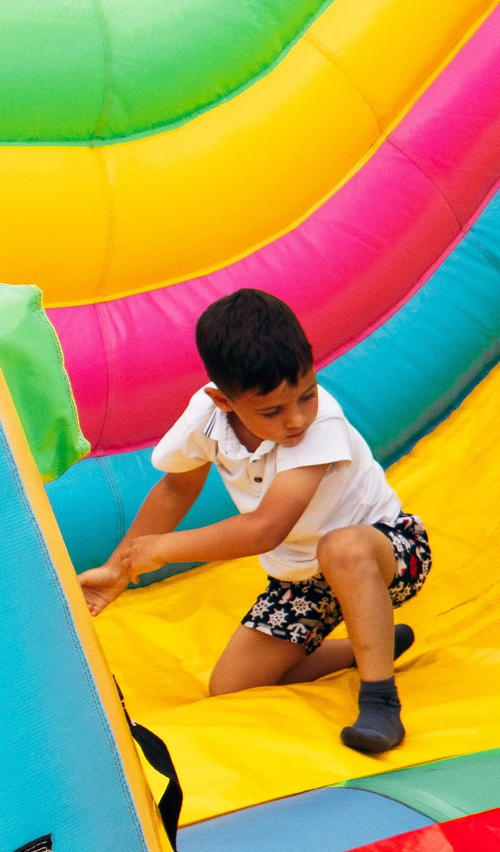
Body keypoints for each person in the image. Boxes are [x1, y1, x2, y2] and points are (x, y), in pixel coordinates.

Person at [76, 289, 430, 755]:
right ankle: (371, 641)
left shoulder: (321, 426)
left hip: (388, 553)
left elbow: (267, 528)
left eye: (307, 394)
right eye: (273, 411)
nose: (296, 419)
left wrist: (163, 549)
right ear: (222, 401)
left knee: (341, 548)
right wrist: (120, 567)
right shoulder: (206, 419)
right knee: (233, 685)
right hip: (304, 580)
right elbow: (177, 487)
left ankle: (380, 696)